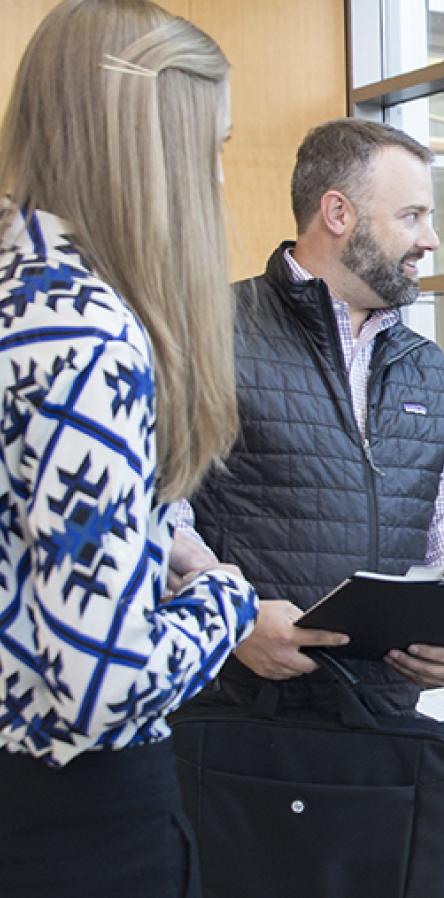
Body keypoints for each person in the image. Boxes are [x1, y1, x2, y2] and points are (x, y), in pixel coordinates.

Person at [0, 1, 259, 895]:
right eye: (215, 147)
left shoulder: (17, 294)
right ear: (156, 144)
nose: (220, 181)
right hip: (76, 823)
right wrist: (226, 598)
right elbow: (105, 686)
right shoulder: (88, 334)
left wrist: (156, 525)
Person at [172, 118, 444, 714]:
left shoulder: (426, 365)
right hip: (240, 727)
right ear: (338, 213)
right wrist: (233, 619)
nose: (430, 239)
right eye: (412, 216)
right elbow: (154, 511)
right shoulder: (208, 332)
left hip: (385, 726)